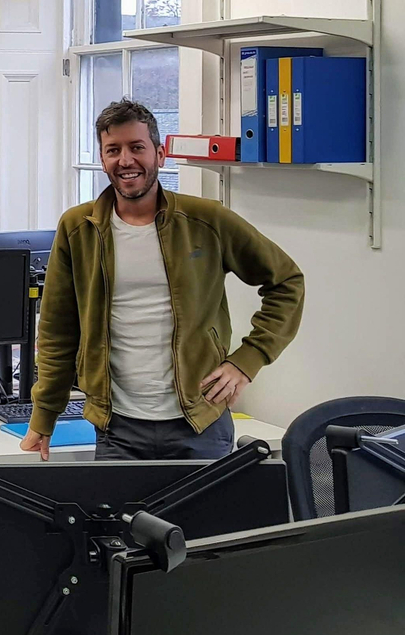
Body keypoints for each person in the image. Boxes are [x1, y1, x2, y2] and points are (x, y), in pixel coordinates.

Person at [22, 99, 304, 462]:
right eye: (113, 150)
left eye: (136, 148)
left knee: (208, 522)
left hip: (200, 422)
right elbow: (58, 330)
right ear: (103, 159)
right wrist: (44, 416)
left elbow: (287, 282)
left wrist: (247, 360)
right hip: (117, 428)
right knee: (119, 521)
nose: (126, 160)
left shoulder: (206, 220)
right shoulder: (78, 228)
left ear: (160, 154)